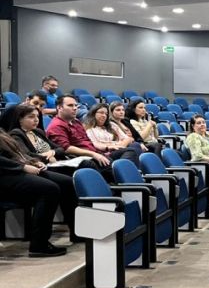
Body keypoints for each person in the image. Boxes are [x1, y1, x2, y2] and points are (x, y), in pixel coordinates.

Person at [0, 129, 72, 257]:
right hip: (5, 174)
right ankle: (39, 245)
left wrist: (33, 161)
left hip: (15, 169)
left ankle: (78, 233)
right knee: (49, 189)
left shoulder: (2, 132)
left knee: (66, 182)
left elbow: (18, 153)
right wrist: (22, 167)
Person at [45, 95, 120, 177]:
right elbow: (66, 148)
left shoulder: (76, 122)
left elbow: (87, 141)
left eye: (75, 105)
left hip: (92, 153)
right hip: (76, 158)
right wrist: (93, 154)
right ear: (59, 108)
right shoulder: (56, 126)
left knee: (119, 159)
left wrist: (105, 148)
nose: (74, 108)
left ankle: (123, 184)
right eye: (70, 105)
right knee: (104, 165)